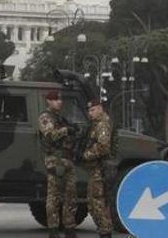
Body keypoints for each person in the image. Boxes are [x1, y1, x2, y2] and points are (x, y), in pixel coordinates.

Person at [38, 90, 78, 238]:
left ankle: (70, 229)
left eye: (60, 100)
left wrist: (72, 130)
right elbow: (50, 136)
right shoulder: (45, 117)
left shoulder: (60, 118)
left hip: (67, 160)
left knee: (70, 197)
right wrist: (66, 130)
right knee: (54, 197)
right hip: (55, 160)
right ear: (48, 101)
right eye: (55, 100)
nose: (59, 102)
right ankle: (53, 231)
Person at [81, 97, 113, 238]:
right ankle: (103, 231)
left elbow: (103, 147)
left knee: (98, 204)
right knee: (93, 204)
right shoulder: (96, 124)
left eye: (93, 110)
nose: (90, 113)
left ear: (100, 108)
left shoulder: (103, 125)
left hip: (100, 170)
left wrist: (86, 155)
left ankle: (105, 233)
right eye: (89, 110)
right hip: (95, 170)